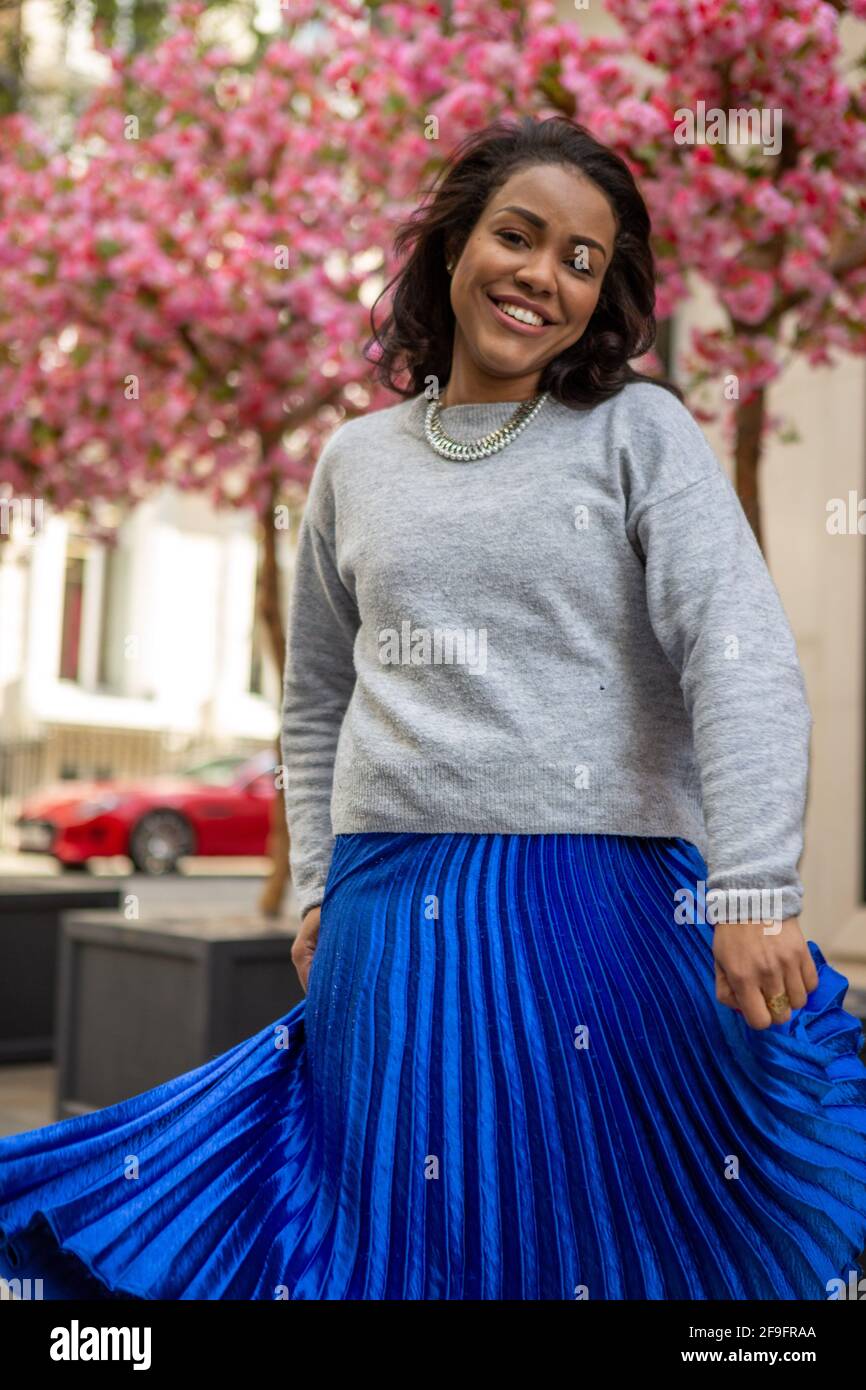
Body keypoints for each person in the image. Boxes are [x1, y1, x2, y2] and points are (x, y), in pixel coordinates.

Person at [1, 114, 864, 1301]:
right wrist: (314, 883)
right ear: (454, 242)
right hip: (387, 915)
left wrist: (755, 882)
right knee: (396, 1244)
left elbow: (738, 652)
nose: (542, 278)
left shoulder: (637, 432)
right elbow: (314, 700)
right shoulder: (354, 462)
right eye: (518, 236)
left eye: (581, 260)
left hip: (600, 905)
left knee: (603, 1230)